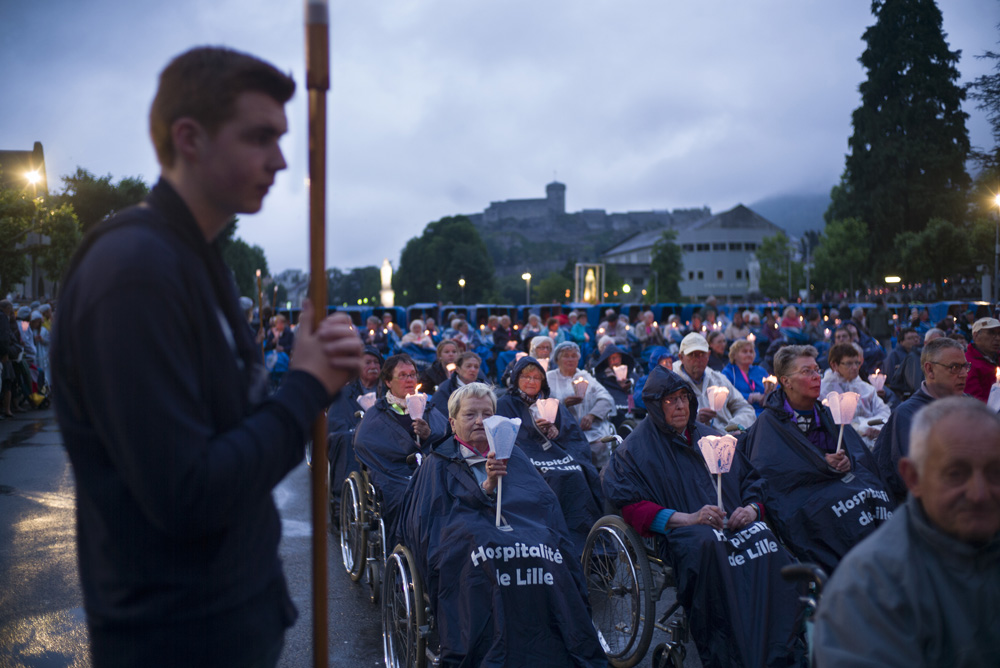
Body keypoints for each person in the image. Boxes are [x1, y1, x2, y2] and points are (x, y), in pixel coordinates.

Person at [50, 47, 364, 668]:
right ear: (189, 138)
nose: (280, 159)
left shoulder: (198, 258)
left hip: (228, 620)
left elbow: (232, 430)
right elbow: (185, 492)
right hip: (177, 637)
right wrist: (305, 387)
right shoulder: (135, 271)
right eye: (260, 136)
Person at [602, 367, 806, 668]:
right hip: (684, 532)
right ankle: (734, 652)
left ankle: (779, 644)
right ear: (656, 406)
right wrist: (688, 518)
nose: (681, 405)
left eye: (684, 398)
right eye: (671, 401)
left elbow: (753, 482)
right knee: (710, 547)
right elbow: (631, 508)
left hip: (734, 526)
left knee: (763, 539)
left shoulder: (713, 437)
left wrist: (751, 509)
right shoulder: (634, 451)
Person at [398, 383, 607, 667]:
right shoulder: (438, 461)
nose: (481, 421)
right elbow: (432, 520)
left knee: (549, 550)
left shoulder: (515, 455)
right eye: (470, 415)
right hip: (469, 540)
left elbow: (542, 505)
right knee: (484, 555)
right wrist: (484, 488)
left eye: (487, 414)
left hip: (524, 536)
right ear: (452, 421)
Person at [813, 397, 1000, 668]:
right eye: (955, 474)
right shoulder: (869, 587)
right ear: (913, 478)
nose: (979, 494)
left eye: (995, 473)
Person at [740, 345, 894, 574]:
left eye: (816, 370)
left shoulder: (827, 413)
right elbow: (771, 473)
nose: (815, 377)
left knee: (873, 493)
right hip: (803, 499)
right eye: (806, 371)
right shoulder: (769, 424)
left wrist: (848, 461)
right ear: (786, 381)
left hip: (840, 487)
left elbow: (859, 454)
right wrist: (820, 464)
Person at [496, 357, 603, 557]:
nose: (531, 381)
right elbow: (503, 437)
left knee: (578, 475)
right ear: (517, 378)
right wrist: (532, 432)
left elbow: (574, 437)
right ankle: (550, 544)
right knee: (548, 480)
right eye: (526, 376)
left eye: (537, 377)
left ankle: (586, 547)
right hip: (525, 457)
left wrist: (556, 432)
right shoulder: (504, 404)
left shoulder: (551, 404)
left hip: (556, 456)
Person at [353, 354, 448, 541]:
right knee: (407, 495)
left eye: (412, 374)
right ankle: (404, 545)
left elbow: (447, 435)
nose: (410, 380)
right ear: (388, 381)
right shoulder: (378, 412)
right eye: (403, 375)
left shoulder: (428, 407)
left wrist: (429, 435)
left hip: (428, 469)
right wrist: (406, 449)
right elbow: (365, 442)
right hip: (393, 472)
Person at [874, 337, 970, 503]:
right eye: (954, 368)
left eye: (965, 366)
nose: (963, 374)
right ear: (930, 370)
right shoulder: (909, 415)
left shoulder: (970, 404)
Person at [326, 345, 382, 530]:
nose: (373, 366)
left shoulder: (387, 392)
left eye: (376, 362)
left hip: (381, 440)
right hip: (352, 439)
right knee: (344, 441)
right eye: (367, 362)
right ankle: (341, 501)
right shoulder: (343, 393)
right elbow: (335, 422)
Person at [546, 341, 616, 469]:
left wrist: (591, 415)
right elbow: (543, 405)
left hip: (589, 430)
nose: (570, 359)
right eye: (566, 355)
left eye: (574, 356)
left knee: (600, 445)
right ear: (557, 359)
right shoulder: (549, 378)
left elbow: (606, 398)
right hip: (561, 430)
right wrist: (564, 404)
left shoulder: (585, 376)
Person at [671, 333, 756, 432]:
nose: (698, 359)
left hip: (727, 438)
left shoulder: (718, 379)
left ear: (709, 355)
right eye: (692, 355)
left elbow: (745, 408)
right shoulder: (672, 383)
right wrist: (694, 418)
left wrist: (734, 427)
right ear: (681, 357)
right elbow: (666, 419)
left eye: (702, 354)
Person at [820, 343, 891, 449]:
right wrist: (859, 429)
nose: (854, 368)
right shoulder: (824, 389)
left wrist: (871, 426)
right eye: (848, 364)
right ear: (834, 365)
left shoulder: (865, 387)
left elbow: (884, 411)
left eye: (857, 363)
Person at [428, 351, 485, 417]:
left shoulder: (484, 389)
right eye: (468, 366)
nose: (473, 369)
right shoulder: (445, 389)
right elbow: (439, 416)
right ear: (457, 369)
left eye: (476, 367)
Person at [721, 339, 770, 416]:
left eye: (751, 352)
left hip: (764, 410)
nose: (749, 354)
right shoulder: (728, 372)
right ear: (734, 355)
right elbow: (725, 395)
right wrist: (751, 397)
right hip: (741, 412)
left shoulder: (759, 370)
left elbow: (774, 389)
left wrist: (767, 396)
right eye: (744, 351)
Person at [964, 317, 1000, 402]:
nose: (998, 338)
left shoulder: (996, 357)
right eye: (991, 333)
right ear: (976, 336)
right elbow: (974, 401)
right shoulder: (967, 363)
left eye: (999, 333)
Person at [885, 327, 922, 399]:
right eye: (910, 338)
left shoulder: (921, 353)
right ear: (901, 342)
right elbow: (891, 377)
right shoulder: (894, 355)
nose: (915, 340)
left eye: (917, 337)